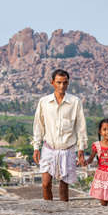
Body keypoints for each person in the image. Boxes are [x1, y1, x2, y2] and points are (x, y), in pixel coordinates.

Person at [33, 69, 87, 201]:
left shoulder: (75, 102)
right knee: (46, 184)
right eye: (59, 82)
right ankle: (49, 210)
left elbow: (81, 126)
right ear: (52, 83)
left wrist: (81, 148)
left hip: (67, 149)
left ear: (68, 83)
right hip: (49, 148)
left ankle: (64, 214)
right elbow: (38, 125)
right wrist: (36, 147)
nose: (62, 86)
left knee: (63, 187)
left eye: (65, 83)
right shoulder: (44, 102)